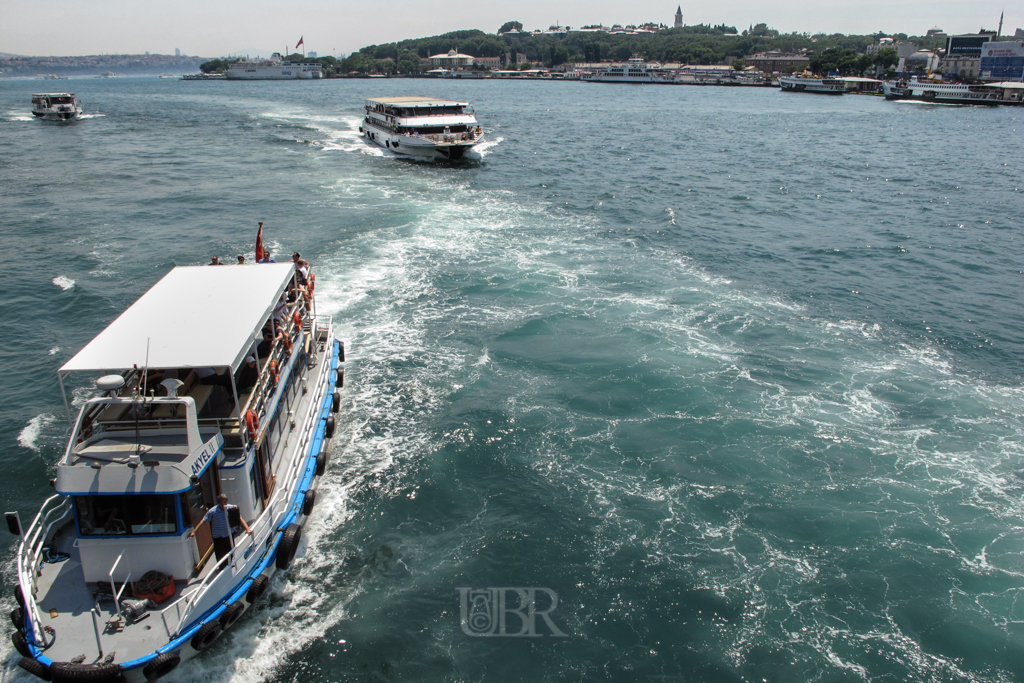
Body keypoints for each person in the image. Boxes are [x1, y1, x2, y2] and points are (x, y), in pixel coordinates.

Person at [189, 494, 252, 563]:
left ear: (227, 501)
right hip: (217, 536)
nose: (223, 504)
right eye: (221, 502)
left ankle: (230, 563)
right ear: (218, 502)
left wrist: (247, 529)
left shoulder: (231, 508)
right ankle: (222, 567)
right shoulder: (212, 511)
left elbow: (239, 518)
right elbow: (203, 521)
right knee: (220, 554)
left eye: (225, 502)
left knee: (230, 550)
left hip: (228, 534)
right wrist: (194, 532)